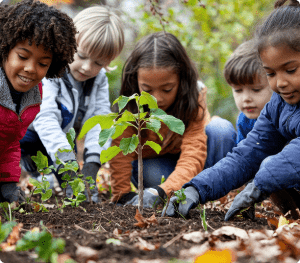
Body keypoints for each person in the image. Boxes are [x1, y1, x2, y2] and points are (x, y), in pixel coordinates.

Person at [164, 0, 300, 220]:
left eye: (290, 70)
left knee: (269, 166)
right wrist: (196, 188)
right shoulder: (277, 105)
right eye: (271, 74)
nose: (280, 83)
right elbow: (247, 154)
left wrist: (260, 183)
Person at [110, 32, 237, 207]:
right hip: (155, 165)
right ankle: (175, 193)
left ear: (181, 80)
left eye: (167, 89)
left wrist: (163, 190)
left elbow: (193, 152)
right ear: (136, 80)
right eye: (147, 89)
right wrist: (121, 195)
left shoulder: (193, 97)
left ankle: (215, 196)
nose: (157, 99)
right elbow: (121, 151)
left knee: (221, 129)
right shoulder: (131, 102)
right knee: (155, 176)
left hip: (193, 164)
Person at [20, 5, 124, 203]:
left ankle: (56, 176)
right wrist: (67, 162)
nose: (87, 67)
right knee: (31, 146)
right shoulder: (51, 69)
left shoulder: (98, 80)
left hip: (64, 136)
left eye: (98, 63)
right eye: (82, 56)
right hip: (32, 130)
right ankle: (34, 168)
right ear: (68, 44)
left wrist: (92, 164)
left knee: (75, 187)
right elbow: (45, 117)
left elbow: (99, 120)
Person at [0, 0, 77, 203]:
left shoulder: (33, 95)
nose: (31, 68)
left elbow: (9, 143)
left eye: (42, 63)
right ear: (5, 49)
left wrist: (7, 184)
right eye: (23, 56)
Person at [224, 39, 273, 145]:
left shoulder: (284, 118)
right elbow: (243, 155)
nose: (246, 98)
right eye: (238, 90)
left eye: (256, 90)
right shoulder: (244, 120)